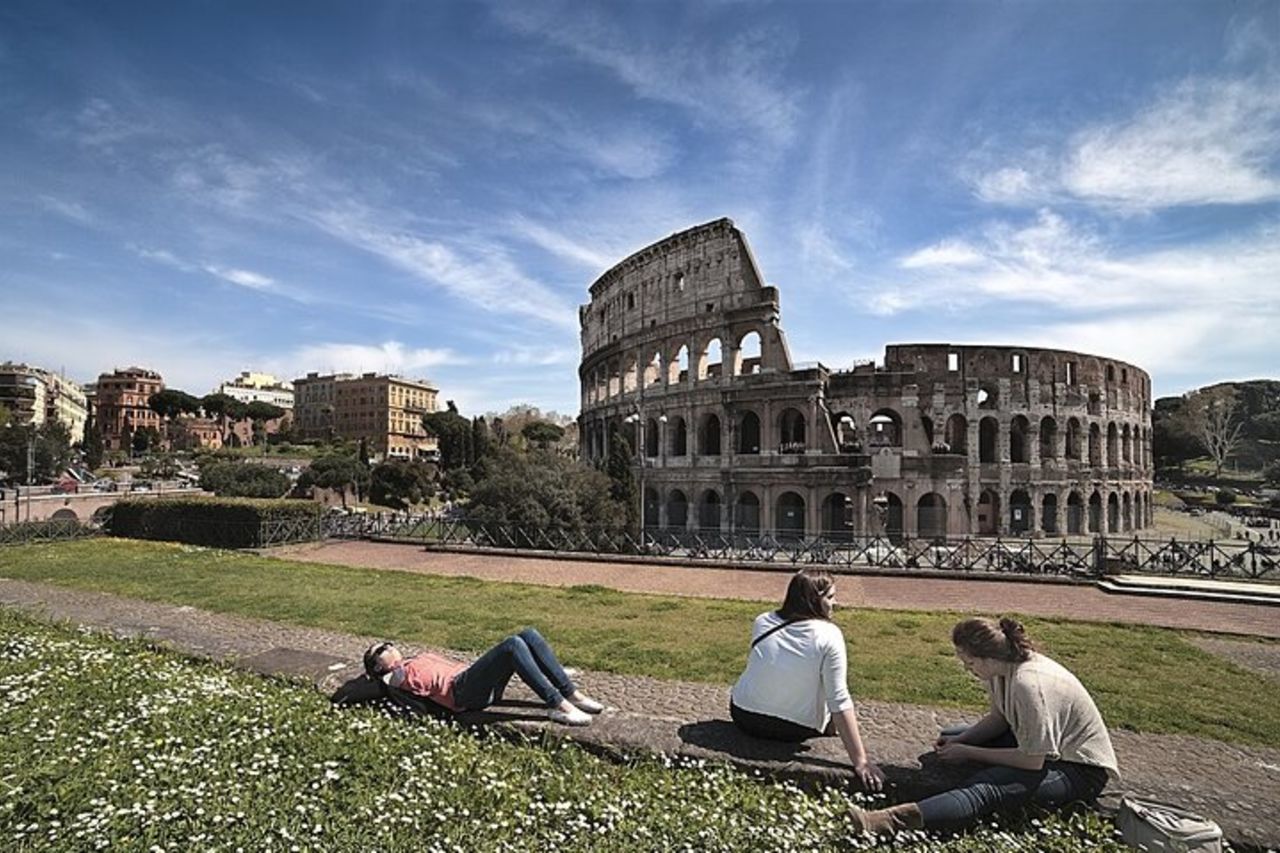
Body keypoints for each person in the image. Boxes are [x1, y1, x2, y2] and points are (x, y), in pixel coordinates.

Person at [851, 616, 1118, 835]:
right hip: (1045, 749)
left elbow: (1032, 760)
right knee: (951, 736)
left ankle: (888, 821)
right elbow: (999, 719)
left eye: (970, 663)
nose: (969, 670)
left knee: (985, 788)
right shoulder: (1002, 669)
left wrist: (969, 752)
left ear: (987, 658)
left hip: (1079, 769)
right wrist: (962, 741)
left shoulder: (1029, 684)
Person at [730, 569, 885, 791]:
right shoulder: (829, 635)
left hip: (743, 715)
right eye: (830, 597)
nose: (836, 603)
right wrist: (861, 761)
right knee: (829, 685)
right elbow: (839, 700)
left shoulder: (763, 620)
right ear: (814, 600)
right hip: (794, 729)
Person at [363, 627, 604, 726]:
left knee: (528, 635)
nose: (389, 646)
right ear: (377, 667)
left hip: (472, 680)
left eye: (387, 643)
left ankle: (572, 694)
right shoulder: (393, 677)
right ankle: (559, 706)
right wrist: (374, 676)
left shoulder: (409, 661)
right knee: (512, 645)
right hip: (461, 691)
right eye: (382, 649)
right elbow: (382, 683)